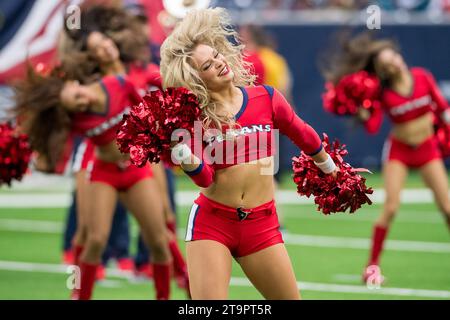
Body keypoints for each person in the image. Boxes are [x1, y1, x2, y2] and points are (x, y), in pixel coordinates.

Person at [159, 8, 338, 299]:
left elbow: (302, 132)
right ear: (196, 81)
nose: (217, 64)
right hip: (213, 224)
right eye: (206, 66)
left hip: (262, 224)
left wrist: (332, 169)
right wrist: (187, 157)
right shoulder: (197, 118)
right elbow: (205, 178)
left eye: (216, 56)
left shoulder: (265, 97)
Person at [14, 69, 174, 300]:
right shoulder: (75, 118)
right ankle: (80, 293)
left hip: (134, 169)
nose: (83, 103)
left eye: (78, 95)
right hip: (103, 173)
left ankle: (163, 296)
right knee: (95, 239)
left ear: (73, 80)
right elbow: (46, 151)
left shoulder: (118, 84)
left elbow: (148, 115)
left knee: (158, 241)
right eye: (76, 106)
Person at [321, 32, 450, 284]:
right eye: (385, 63)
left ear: (399, 55)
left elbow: (443, 109)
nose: (393, 62)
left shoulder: (423, 77)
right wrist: (363, 113)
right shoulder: (384, 93)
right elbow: (372, 127)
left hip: (427, 149)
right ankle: (371, 268)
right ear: (382, 71)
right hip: (400, 151)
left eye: (393, 56)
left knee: (447, 208)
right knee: (390, 208)